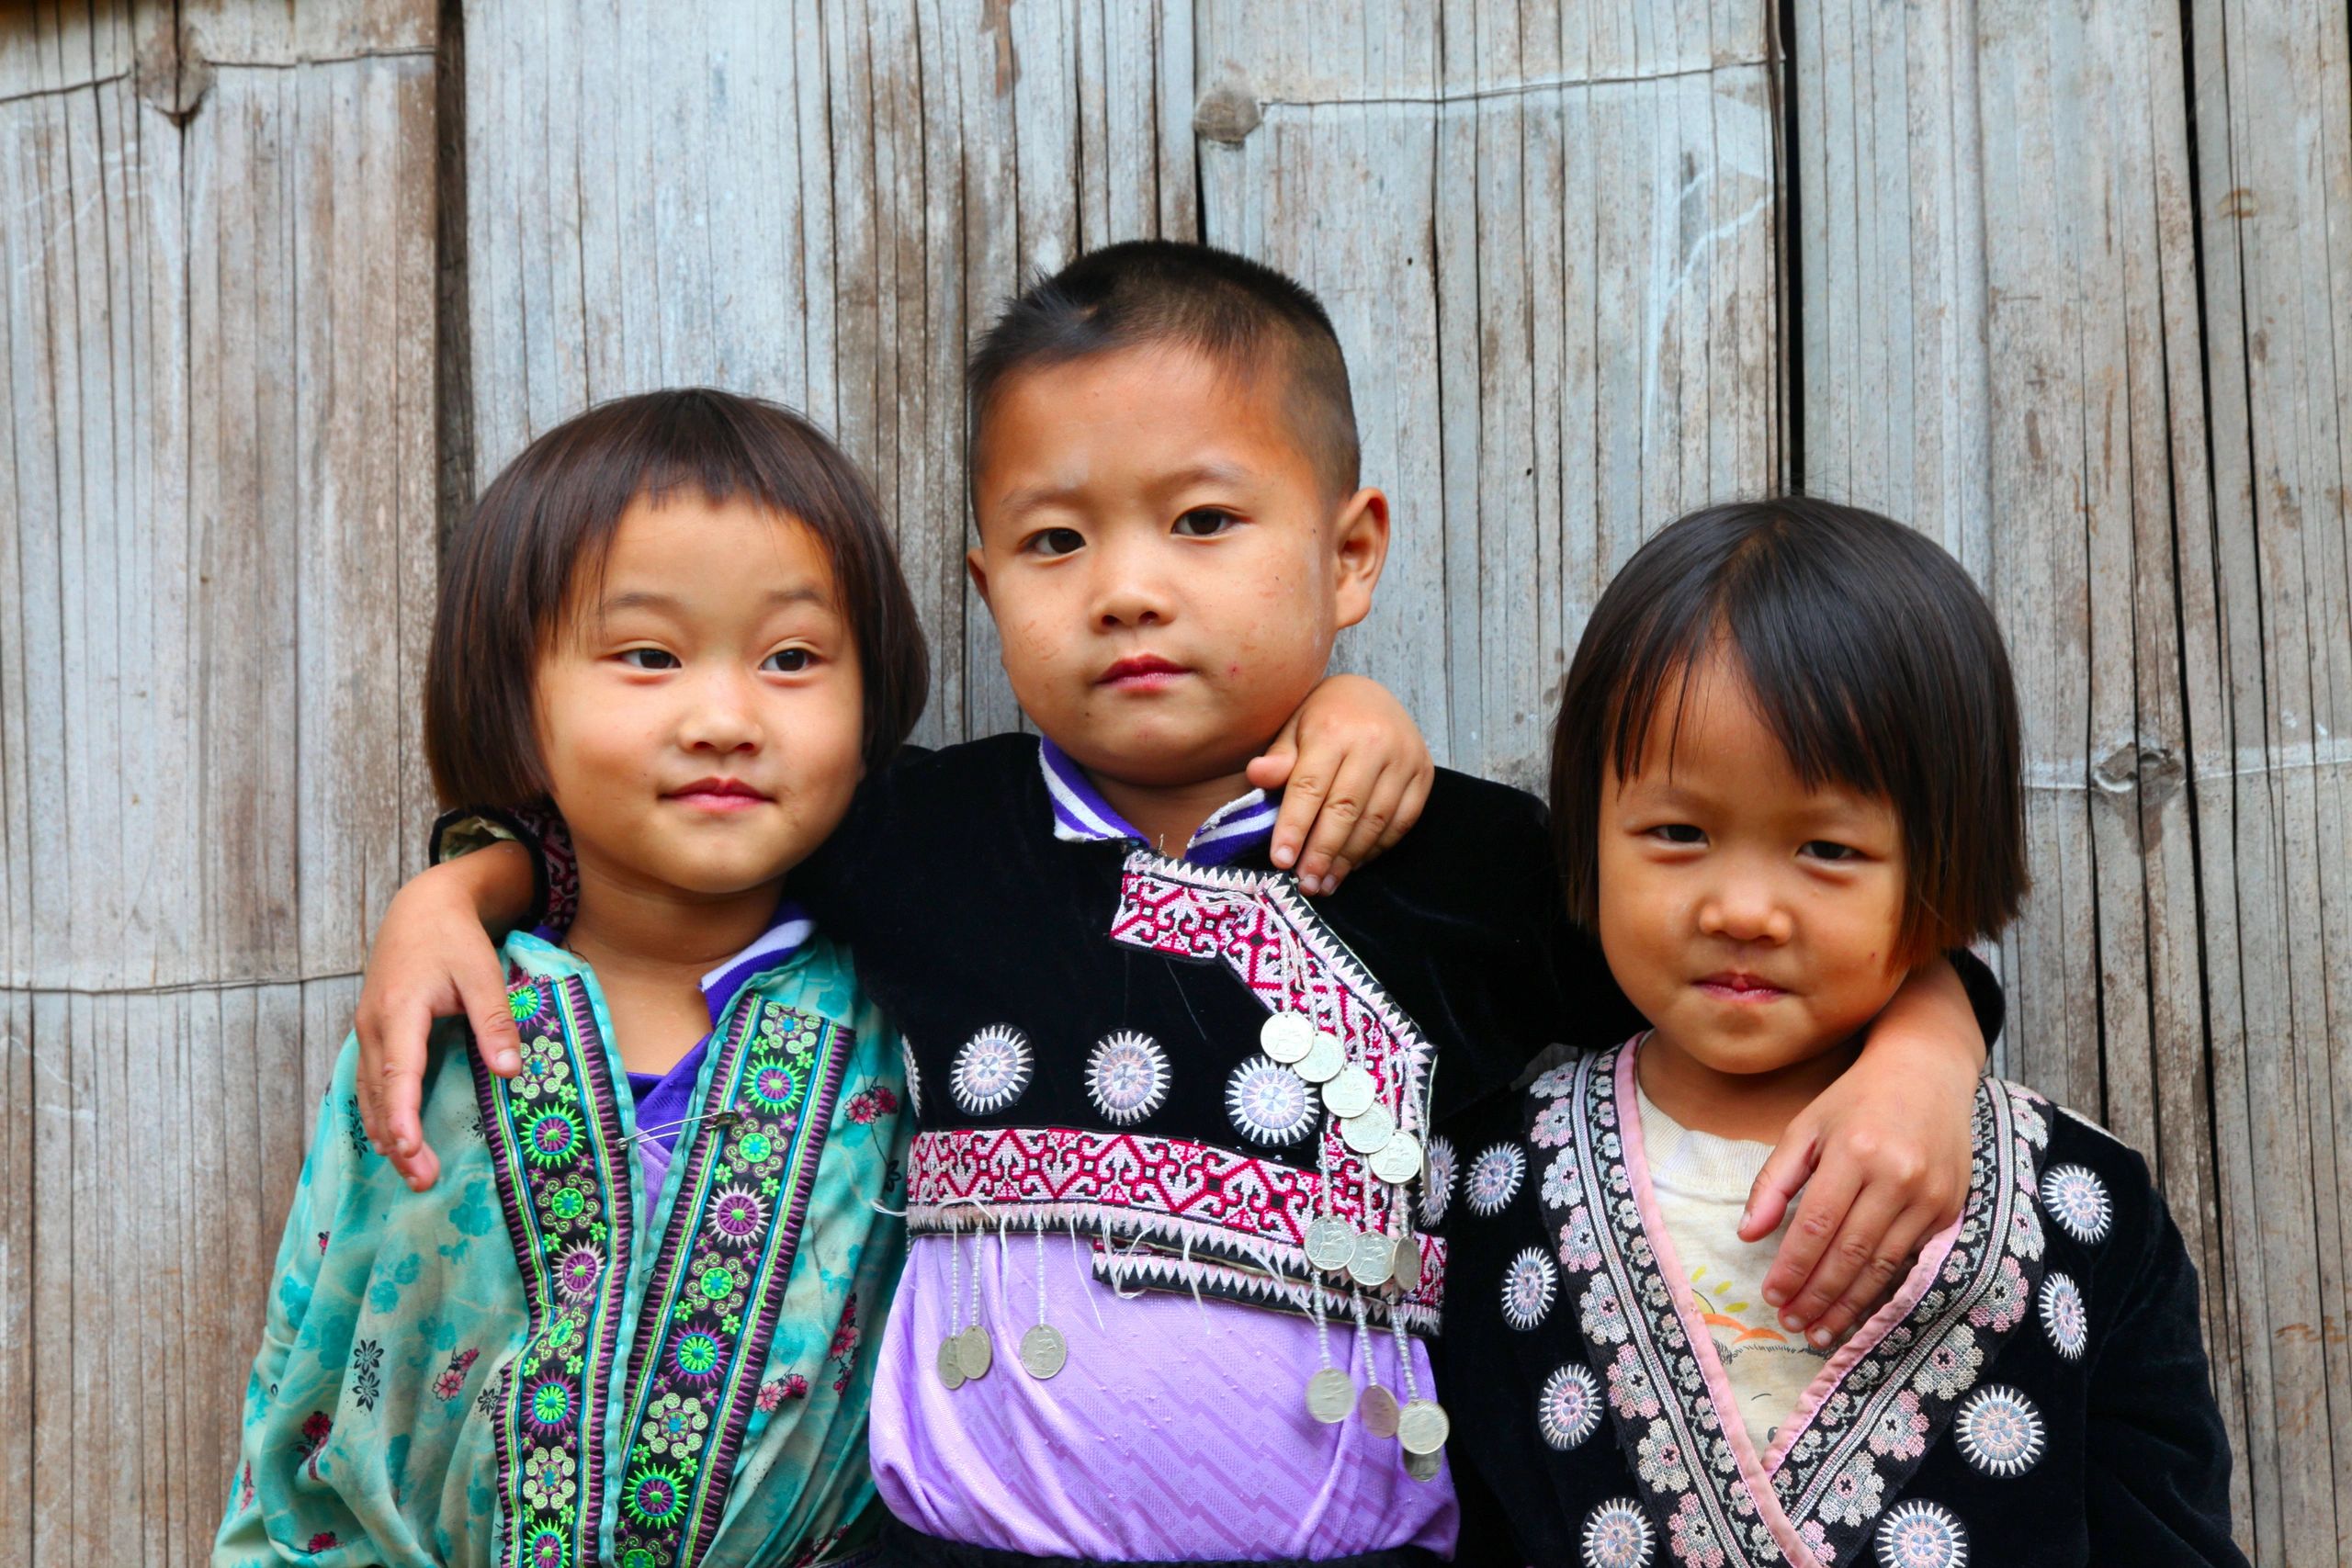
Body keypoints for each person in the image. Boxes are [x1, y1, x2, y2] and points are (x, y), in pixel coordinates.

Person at [354, 245, 2000, 1565]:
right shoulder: (923, 833)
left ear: (1348, 555)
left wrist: (1932, 1042)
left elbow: (1750, 959)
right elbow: (674, 854)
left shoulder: (1473, 867)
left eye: (1204, 523)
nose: (1130, 585)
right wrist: (469, 878)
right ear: (991, 586)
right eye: (1058, 539)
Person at [1442, 498, 2245, 1567]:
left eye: (1824, 848)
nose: (1741, 909)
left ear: (1944, 859)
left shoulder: (2083, 1209)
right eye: (1677, 832)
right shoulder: (1479, 1187)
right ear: (1586, 831)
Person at [216, 389, 934, 1566]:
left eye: (792, 657)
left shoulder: (908, 1011)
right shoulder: (438, 1025)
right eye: (647, 655)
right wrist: (453, 890)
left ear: (870, 707)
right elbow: (306, 1383)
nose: (723, 716)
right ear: (518, 700)